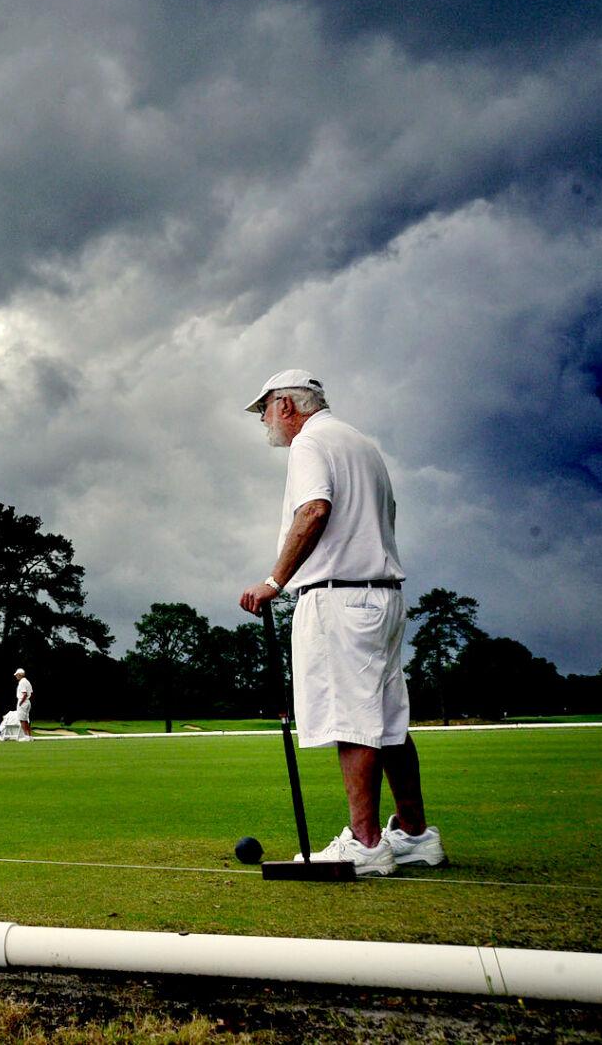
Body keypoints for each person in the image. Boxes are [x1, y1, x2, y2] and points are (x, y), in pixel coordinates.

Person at [238, 369, 444, 876]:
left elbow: (314, 510)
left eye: (264, 409)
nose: (263, 421)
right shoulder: (361, 443)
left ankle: (367, 843)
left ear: (287, 405)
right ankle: (415, 834)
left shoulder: (310, 443)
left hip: (341, 596)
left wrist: (274, 581)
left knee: (354, 721)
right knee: (388, 722)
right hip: (383, 595)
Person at [13, 668, 33, 740]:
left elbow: (24, 694)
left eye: (17, 675)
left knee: (22, 720)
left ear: (20, 675)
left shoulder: (22, 682)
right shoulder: (27, 681)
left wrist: (21, 703)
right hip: (27, 701)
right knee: (26, 720)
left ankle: (26, 736)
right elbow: (31, 693)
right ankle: (29, 736)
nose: (16, 676)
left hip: (23, 701)